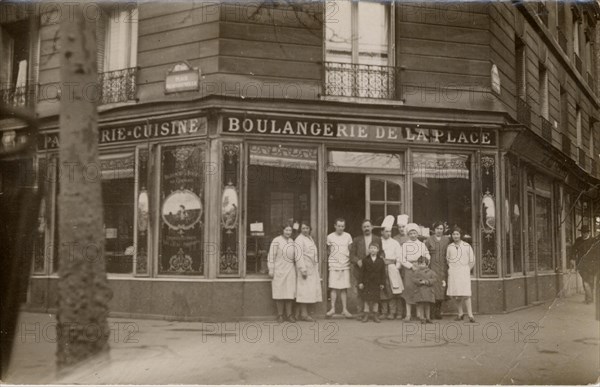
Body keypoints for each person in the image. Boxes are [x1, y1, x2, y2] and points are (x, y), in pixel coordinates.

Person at [268, 223, 305, 323]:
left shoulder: (292, 241)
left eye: (290, 231)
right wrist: (271, 269)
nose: (288, 232)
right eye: (286, 230)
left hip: (290, 270)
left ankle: (289, 315)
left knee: (289, 292)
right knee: (279, 292)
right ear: (282, 231)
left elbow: (297, 256)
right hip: (279, 269)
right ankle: (280, 315)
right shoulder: (276, 241)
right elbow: (271, 256)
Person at [349, 219, 381, 319]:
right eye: (364, 227)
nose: (366, 228)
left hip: (373, 270)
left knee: (373, 290)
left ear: (372, 227)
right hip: (360, 269)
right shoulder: (357, 240)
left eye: (368, 226)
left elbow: (381, 253)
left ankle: (373, 312)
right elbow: (352, 255)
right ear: (362, 228)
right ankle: (361, 312)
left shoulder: (377, 239)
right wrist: (357, 261)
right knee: (360, 290)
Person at [399, 223, 430, 321]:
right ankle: (408, 314)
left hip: (420, 268)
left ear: (417, 234)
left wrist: (423, 265)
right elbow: (402, 258)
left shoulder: (421, 245)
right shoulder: (405, 245)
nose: (413, 235)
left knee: (419, 290)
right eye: (411, 233)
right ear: (408, 234)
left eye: (414, 233)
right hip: (409, 270)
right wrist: (411, 266)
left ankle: (419, 314)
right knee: (409, 290)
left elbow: (427, 255)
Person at [446, 226, 476, 323]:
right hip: (454, 272)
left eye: (457, 234)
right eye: (454, 234)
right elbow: (448, 259)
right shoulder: (450, 247)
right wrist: (452, 269)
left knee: (466, 294)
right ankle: (460, 313)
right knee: (456, 294)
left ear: (460, 235)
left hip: (464, 272)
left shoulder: (467, 246)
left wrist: (467, 270)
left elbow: (472, 260)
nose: (455, 236)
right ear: (452, 235)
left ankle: (470, 315)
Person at [294, 221, 322, 321]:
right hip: (304, 268)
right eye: (303, 228)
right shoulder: (299, 239)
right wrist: (302, 269)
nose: (305, 230)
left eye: (307, 228)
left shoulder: (309, 238)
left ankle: (301, 313)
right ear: (300, 229)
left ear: (310, 229)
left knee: (308, 291)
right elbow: (298, 256)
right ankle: (304, 314)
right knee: (303, 292)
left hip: (311, 268)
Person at [326, 218, 353, 318]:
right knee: (333, 287)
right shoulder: (330, 237)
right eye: (339, 226)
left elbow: (350, 250)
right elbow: (329, 251)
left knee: (343, 288)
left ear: (344, 227)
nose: (341, 228)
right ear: (335, 226)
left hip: (345, 264)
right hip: (333, 265)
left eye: (342, 226)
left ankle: (344, 309)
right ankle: (332, 308)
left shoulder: (348, 236)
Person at [379, 215, 404, 320]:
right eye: (386, 231)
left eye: (390, 231)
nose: (388, 233)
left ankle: (393, 312)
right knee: (383, 290)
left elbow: (399, 256)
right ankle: (384, 312)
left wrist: (396, 267)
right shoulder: (378, 242)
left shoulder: (395, 243)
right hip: (380, 268)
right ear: (382, 232)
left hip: (392, 268)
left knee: (393, 290)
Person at [425, 221, 450, 319]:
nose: (439, 230)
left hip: (443, 266)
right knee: (433, 288)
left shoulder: (446, 240)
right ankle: (431, 312)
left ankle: (438, 311)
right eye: (437, 228)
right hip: (432, 265)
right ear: (434, 229)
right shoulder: (429, 240)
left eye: (441, 229)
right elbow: (425, 253)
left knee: (441, 288)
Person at [358, 242, 386, 323]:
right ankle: (366, 314)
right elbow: (362, 272)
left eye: (374, 248)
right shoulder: (365, 260)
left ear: (378, 250)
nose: (373, 250)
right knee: (366, 299)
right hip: (367, 282)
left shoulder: (380, 261)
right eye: (371, 248)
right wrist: (361, 282)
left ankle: (375, 315)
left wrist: (382, 283)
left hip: (376, 282)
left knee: (376, 299)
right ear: (369, 250)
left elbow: (383, 273)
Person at [573, 225, 595, 304]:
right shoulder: (578, 240)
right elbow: (573, 250)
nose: (583, 234)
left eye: (585, 233)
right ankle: (589, 298)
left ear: (588, 232)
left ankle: (589, 298)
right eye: (582, 233)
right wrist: (571, 259)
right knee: (586, 281)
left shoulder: (593, 241)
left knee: (589, 281)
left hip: (592, 264)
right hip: (581, 264)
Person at [411, 256, 437, 324]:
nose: (421, 265)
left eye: (422, 264)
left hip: (428, 291)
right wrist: (419, 281)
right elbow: (413, 279)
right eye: (419, 264)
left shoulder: (431, 272)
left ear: (427, 264)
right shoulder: (416, 272)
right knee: (421, 305)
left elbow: (434, 279)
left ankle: (428, 318)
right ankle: (422, 318)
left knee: (427, 305)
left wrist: (427, 281)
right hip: (419, 291)